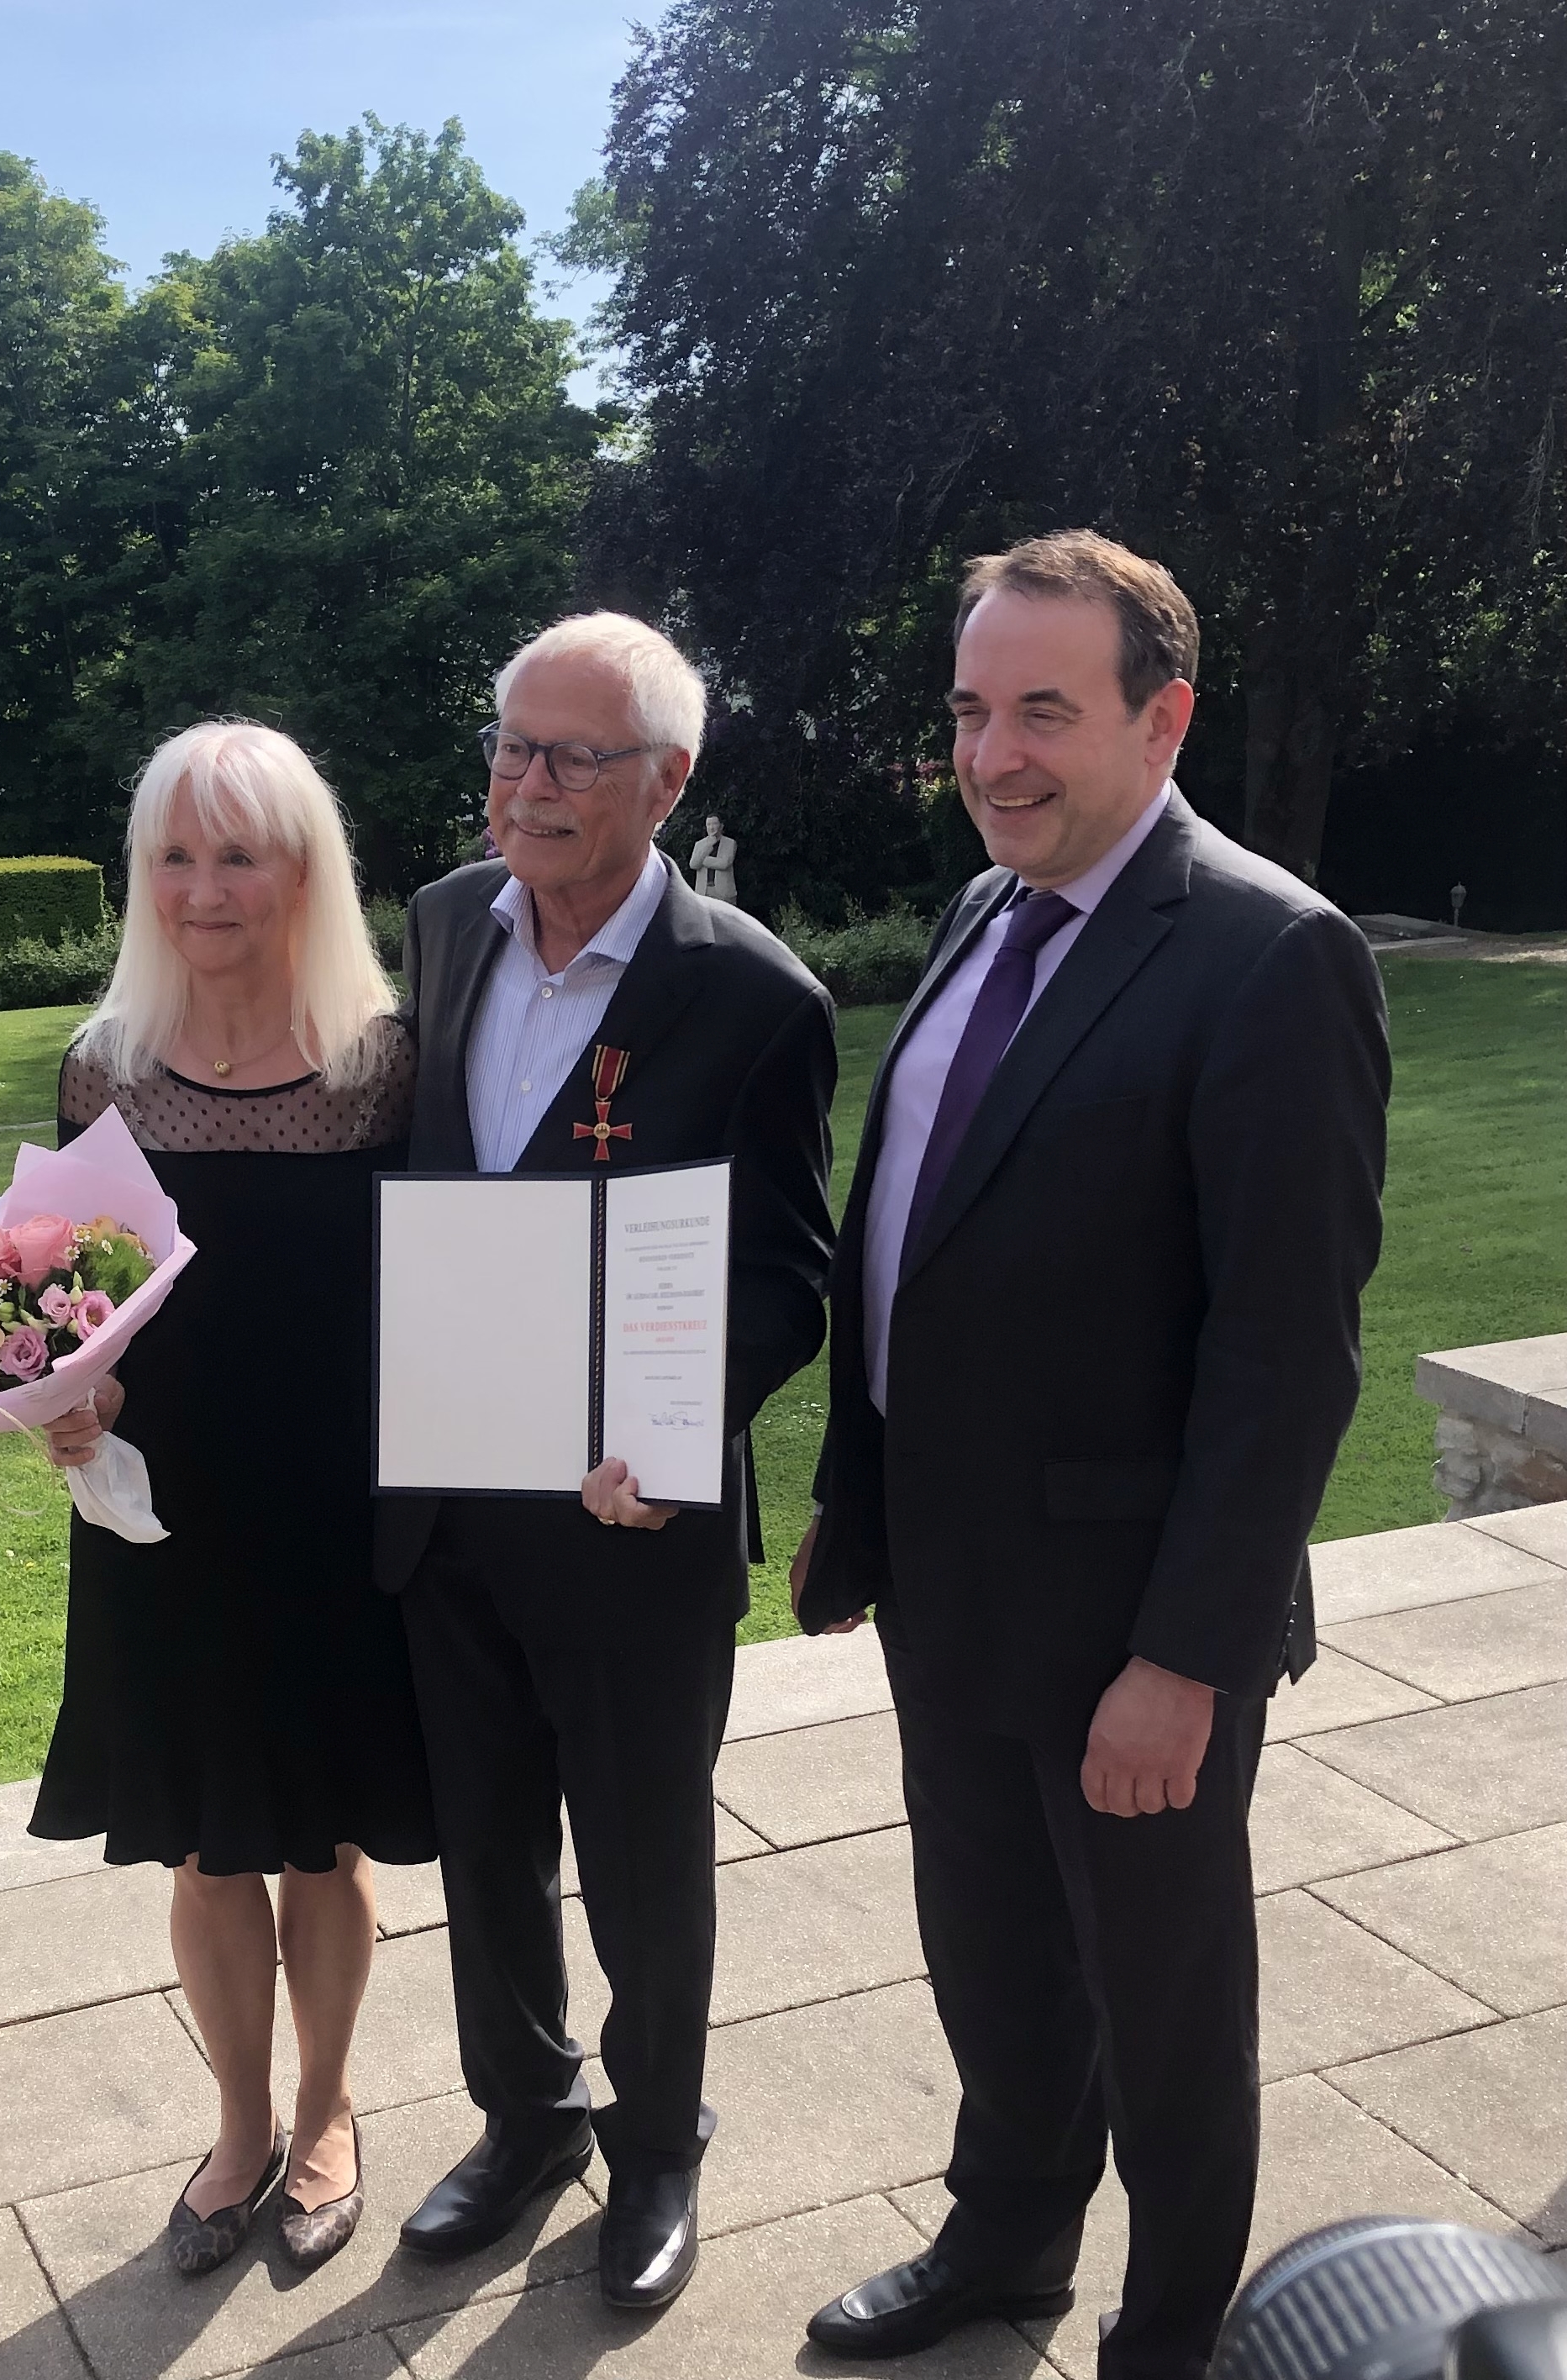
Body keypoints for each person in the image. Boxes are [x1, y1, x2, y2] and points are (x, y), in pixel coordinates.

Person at [791, 533, 1391, 2374]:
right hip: (950, 1585)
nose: (993, 755)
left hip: (1132, 1625)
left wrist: (1186, 1659)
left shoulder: (1271, 955)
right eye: (972, 710)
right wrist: (856, 1504)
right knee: (990, 1957)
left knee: (1166, 2007)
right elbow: (927, 1230)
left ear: (1163, 717)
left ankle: (1178, 2326)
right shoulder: (986, 911)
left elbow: (1286, 1358)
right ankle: (1006, 2241)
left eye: (1043, 711)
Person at [375, 612, 836, 2312]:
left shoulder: (754, 995)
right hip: (448, 1496)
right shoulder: (444, 924)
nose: (530, 784)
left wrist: (668, 1421)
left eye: (575, 755)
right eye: (512, 745)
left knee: (645, 1864)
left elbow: (788, 1275)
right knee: (484, 1844)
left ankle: (656, 2146)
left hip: (628, 1521)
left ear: (668, 779)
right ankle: (525, 2116)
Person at [35, 719, 437, 2279]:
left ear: (305, 871)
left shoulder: (386, 1068)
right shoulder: (103, 1069)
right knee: (205, 1847)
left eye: (240, 855)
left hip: (339, 1515)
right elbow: (81, 1315)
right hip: (168, 1520)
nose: (205, 890)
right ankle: (240, 2125)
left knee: (322, 1843)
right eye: (175, 857)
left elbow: (441, 1303)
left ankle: (329, 2117)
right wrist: (66, 1400)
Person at [689, 813, 739, 903]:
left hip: (723, 892)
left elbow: (724, 864)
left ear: (721, 826)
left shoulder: (730, 843)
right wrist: (709, 846)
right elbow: (693, 864)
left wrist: (703, 860)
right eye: (708, 824)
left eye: (715, 824)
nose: (711, 827)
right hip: (703, 891)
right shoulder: (699, 844)